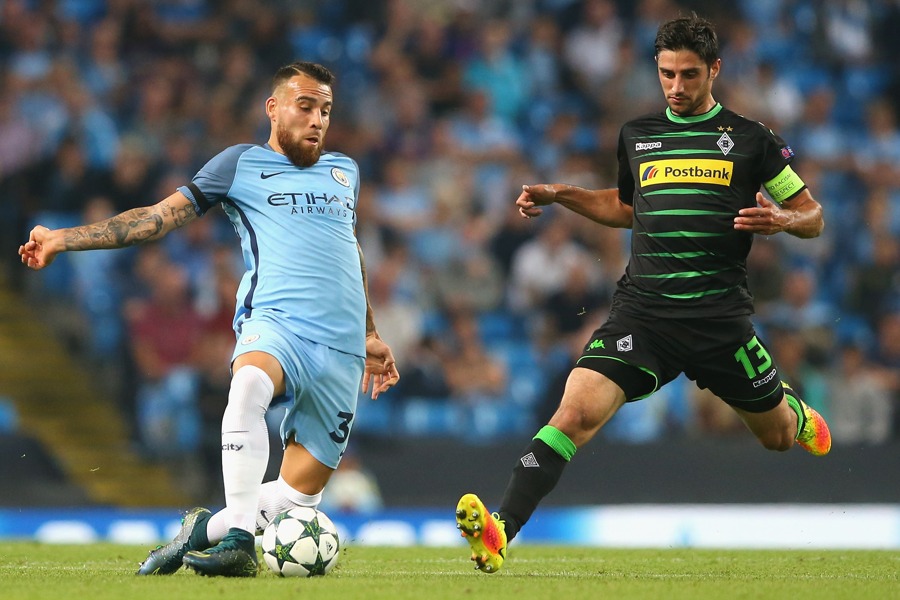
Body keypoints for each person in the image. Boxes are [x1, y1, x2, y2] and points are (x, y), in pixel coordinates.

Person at [454, 14, 831, 574]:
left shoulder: (753, 141)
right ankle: (501, 529)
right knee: (575, 411)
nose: (676, 87)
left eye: (689, 75)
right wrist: (563, 194)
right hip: (643, 315)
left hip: (719, 321)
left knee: (776, 437)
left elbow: (813, 216)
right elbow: (626, 208)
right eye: (667, 74)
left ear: (715, 71)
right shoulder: (639, 136)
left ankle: (793, 411)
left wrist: (781, 219)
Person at [19, 61, 400, 577]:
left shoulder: (345, 171)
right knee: (247, 387)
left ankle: (200, 531)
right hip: (277, 322)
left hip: (342, 349)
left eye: (325, 111)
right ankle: (241, 542)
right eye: (305, 106)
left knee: (294, 499)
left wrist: (371, 332)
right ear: (274, 108)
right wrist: (64, 238)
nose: (317, 120)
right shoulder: (238, 164)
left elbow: (347, 250)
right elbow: (155, 218)